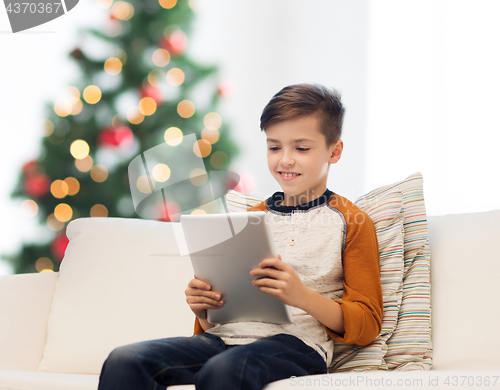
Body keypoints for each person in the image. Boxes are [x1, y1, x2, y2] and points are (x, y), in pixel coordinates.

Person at [97, 83, 383, 390]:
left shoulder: (351, 221)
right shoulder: (245, 220)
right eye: (274, 147)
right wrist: (203, 308)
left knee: (224, 370)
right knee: (124, 360)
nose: (285, 159)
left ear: (334, 151)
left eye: (301, 148)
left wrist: (301, 296)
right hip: (223, 340)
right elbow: (216, 323)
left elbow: (366, 324)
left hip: (296, 346)